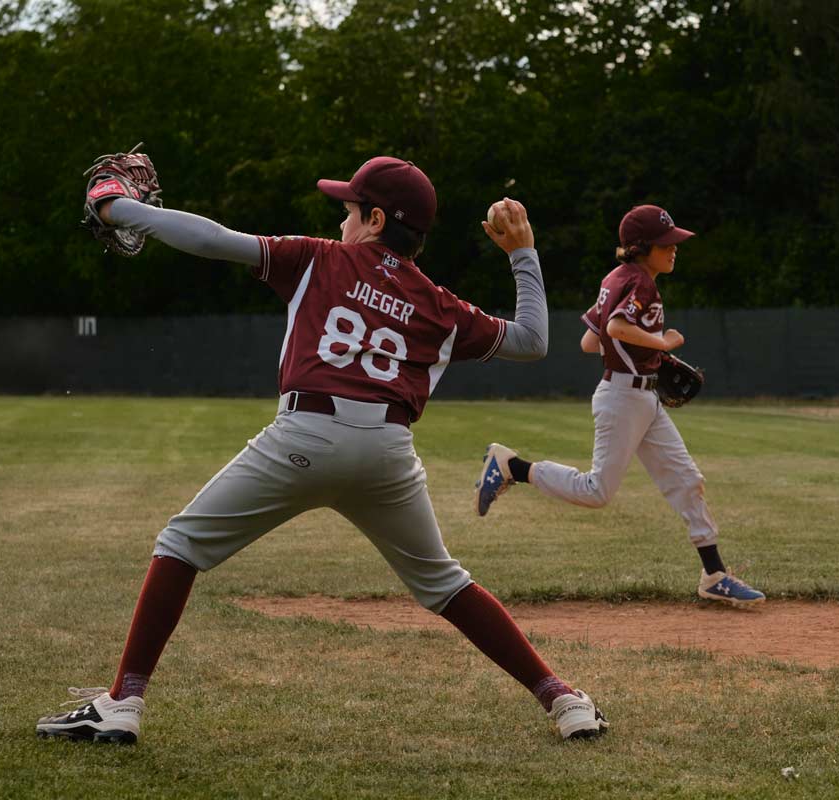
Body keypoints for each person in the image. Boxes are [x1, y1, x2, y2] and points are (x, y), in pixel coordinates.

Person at [35, 156, 607, 743]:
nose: (341, 223)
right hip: (388, 453)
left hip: (304, 437)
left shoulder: (319, 259)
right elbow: (534, 341)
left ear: (378, 218)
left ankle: (124, 701)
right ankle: (562, 699)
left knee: (180, 546)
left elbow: (212, 239)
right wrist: (522, 252)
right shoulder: (440, 305)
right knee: (444, 585)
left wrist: (117, 207)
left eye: (350, 211)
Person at [474, 204, 765, 606]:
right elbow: (615, 328)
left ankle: (714, 574)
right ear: (642, 247)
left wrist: (643, 359)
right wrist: (661, 344)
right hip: (625, 397)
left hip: (639, 394)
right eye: (666, 243)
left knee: (686, 480)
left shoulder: (616, 278)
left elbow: (591, 341)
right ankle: (511, 467)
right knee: (597, 491)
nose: (674, 248)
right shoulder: (641, 283)